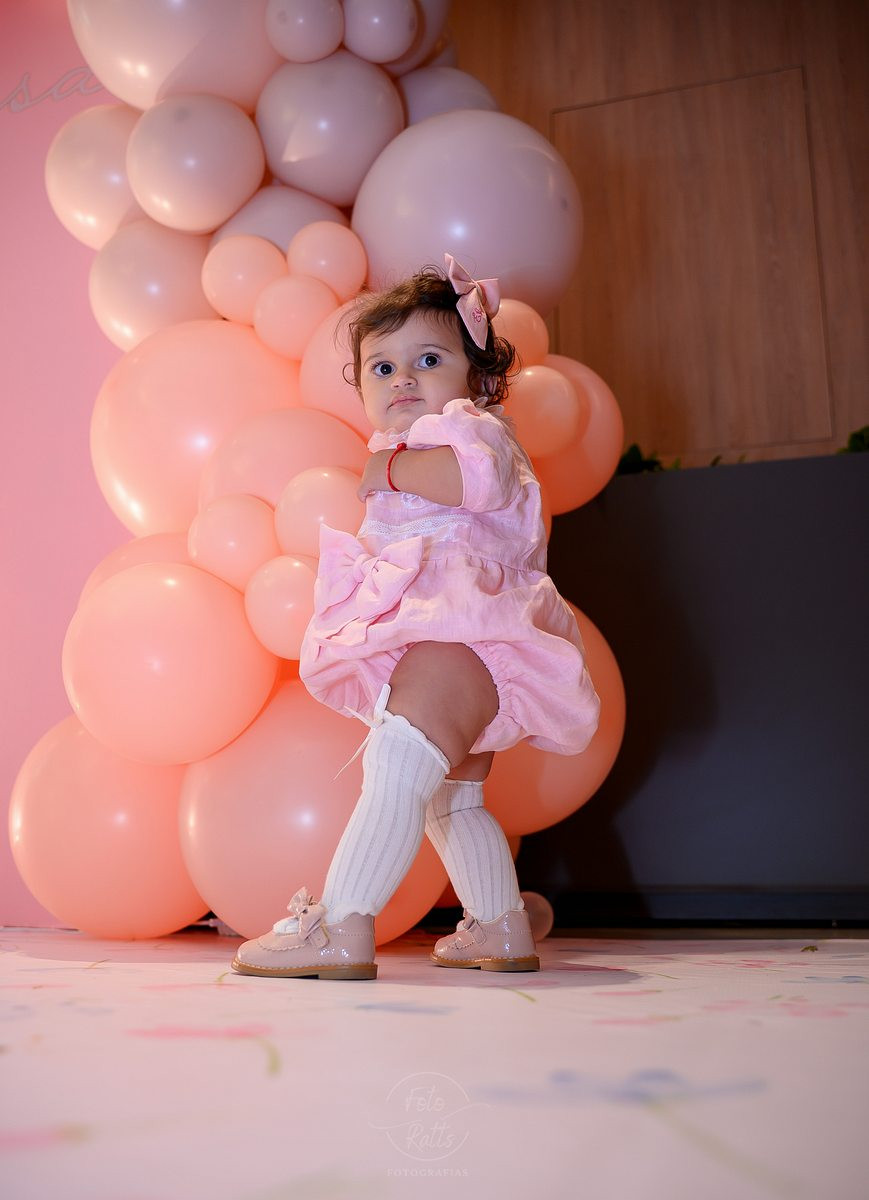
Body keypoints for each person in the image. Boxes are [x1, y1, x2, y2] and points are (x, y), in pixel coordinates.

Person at [231, 253, 600, 981]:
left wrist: (388, 472)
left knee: (396, 760)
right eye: (382, 367)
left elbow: (475, 480)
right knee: (452, 800)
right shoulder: (430, 436)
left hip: (460, 635)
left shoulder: (471, 430)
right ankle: (498, 926)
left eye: (427, 360)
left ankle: (341, 924)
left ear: (477, 380)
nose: (403, 378)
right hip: (474, 643)